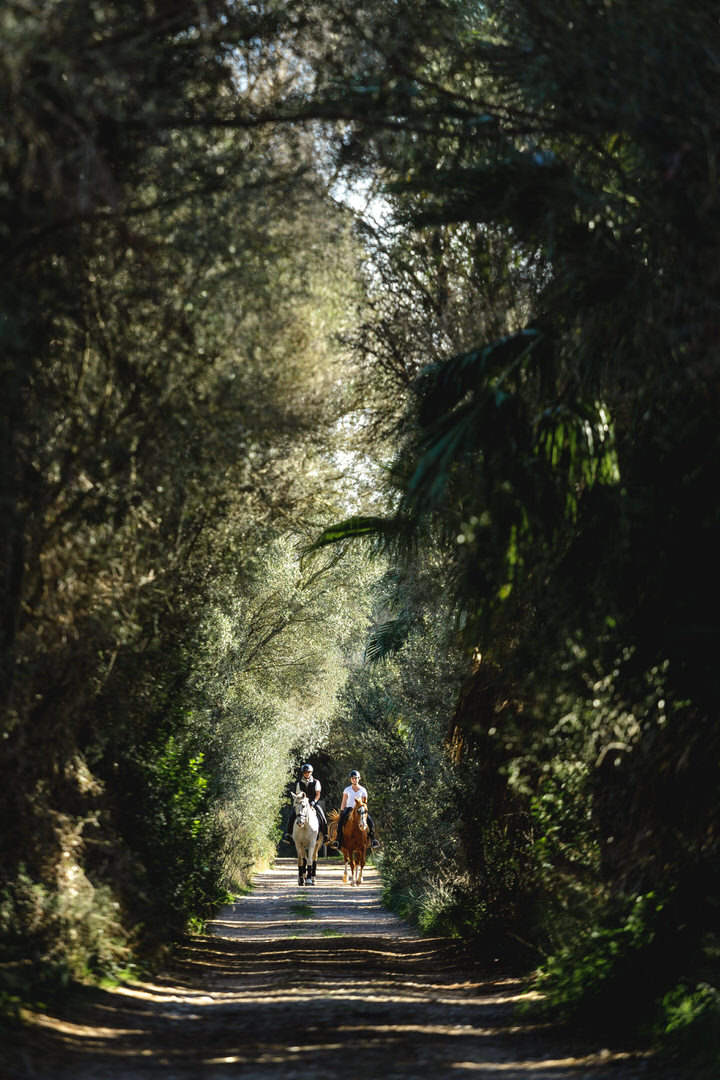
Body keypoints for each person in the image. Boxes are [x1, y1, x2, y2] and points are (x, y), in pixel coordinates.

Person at [334, 769, 380, 850]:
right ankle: (338, 840)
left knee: (370, 821)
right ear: (350, 779)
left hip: (360, 810)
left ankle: (373, 839)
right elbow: (344, 801)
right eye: (352, 778)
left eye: (356, 778)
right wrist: (341, 811)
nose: (354, 779)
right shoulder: (347, 789)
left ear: (359, 779)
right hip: (349, 809)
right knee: (340, 821)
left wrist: (363, 809)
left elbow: (364, 802)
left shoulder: (363, 790)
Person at [284, 764, 329, 844]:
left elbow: (318, 794)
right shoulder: (299, 783)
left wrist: (314, 801)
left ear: (311, 772)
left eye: (308, 772)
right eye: (305, 772)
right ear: (303, 773)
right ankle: (288, 835)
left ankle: (326, 836)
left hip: (313, 803)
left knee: (322, 817)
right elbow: (298, 795)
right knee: (292, 816)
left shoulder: (316, 782)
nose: (307, 774)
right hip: (302, 804)